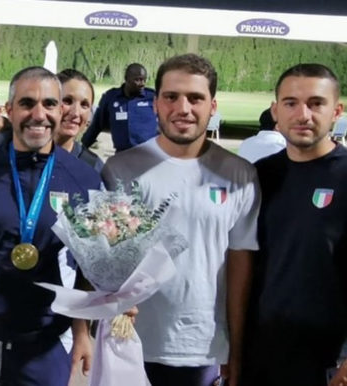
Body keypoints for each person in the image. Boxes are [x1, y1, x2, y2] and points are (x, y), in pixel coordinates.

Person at [0, 66, 101, 386]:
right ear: (9, 111)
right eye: (27, 103)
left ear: (60, 109)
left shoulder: (85, 180)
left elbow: (88, 269)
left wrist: (83, 331)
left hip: (45, 346)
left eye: (50, 104)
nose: (38, 114)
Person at [101, 54, 259, 386]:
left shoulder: (239, 174)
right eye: (171, 97)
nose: (183, 108)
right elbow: (107, 259)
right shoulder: (120, 170)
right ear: (156, 102)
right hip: (130, 341)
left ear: (212, 106)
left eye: (195, 98)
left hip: (203, 347)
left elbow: (239, 266)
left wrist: (237, 348)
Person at [242, 63, 347, 386]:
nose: (303, 114)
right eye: (291, 103)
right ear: (276, 110)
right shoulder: (257, 176)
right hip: (258, 355)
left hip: (325, 361)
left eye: (316, 103)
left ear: (337, 111)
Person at [81, 63, 157, 152]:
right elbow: (97, 125)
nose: (142, 84)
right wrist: (82, 148)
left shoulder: (153, 97)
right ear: (126, 78)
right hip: (122, 156)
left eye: (144, 80)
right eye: (137, 80)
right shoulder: (111, 98)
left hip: (149, 155)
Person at [54, 68, 104, 172]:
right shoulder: (20, 158)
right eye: (67, 101)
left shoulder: (93, 167)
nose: (75, 113)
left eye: (84, 105)